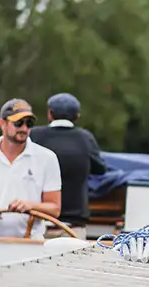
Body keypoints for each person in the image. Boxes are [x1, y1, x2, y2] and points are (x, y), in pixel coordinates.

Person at [0, 98, 62, 239]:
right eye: (18, 123)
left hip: (32, 244)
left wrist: (30, 206)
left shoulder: (47, 158)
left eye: (29, 123)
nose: (24, 128)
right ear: (2, 124)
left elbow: (55, 209)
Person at [29, 93, 106, 240]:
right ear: (77, 116)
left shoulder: (34, 136)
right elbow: (100, 169)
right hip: (73, 227)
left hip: (36, 224)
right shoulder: (85, 138)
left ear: (50, 114)